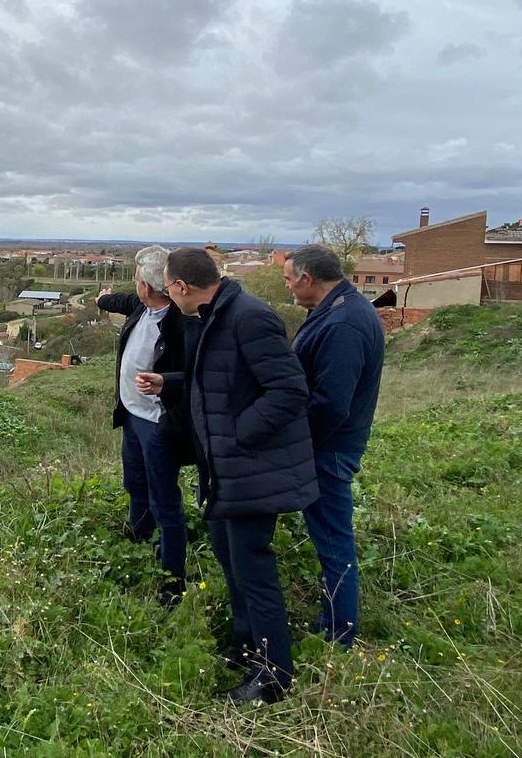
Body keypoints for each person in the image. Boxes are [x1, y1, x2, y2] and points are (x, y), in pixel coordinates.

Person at [137, 247, 316, 704]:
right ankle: (244, 642)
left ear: (180, 286)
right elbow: (216, 380)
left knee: (252, 567)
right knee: (226, 553)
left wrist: (238, 434)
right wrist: (170, 382)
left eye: (169, 287)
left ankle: (274, 676)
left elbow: (290, 390)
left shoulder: (249, 317)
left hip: (249, 468)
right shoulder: (214, 315)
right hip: (224, 470)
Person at [284, 244, 385, 647]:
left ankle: (338, 634)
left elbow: (330, 405)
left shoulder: (343, 323)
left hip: (327, 450)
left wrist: (297, 444)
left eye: (290, 278)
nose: (288, 286)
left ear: (307, 278)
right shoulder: (340, 309)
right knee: (331, 538)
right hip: (328, 447)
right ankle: (333, 620)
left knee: (333, 541)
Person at [96, 245, 193, 606]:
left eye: (137, 279)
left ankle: (172, 581)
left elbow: (195, 374)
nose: (134, 285)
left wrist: (167, 382)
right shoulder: (142, 307)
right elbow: (122, 301)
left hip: (159, 425)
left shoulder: (182, 323)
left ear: (149, 287)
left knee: (165, 501)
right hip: (133, 419)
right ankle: (139, 546)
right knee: (135, 484)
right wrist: (102, 301)